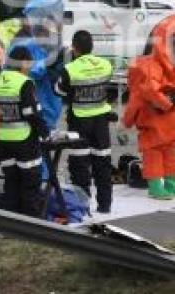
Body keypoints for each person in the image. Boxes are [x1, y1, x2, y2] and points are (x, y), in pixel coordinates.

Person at [123, 15, 175, 199]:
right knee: (153, 153)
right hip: (154, 121)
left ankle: (172, 183)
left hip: (172, 122)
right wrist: (169, 101)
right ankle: (155, 185)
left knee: (170, 153)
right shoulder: (151, 66)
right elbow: (149, 91)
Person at [55, 30, 115, 213]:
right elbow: (108, 85)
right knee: (103, 164)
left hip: (79, 122)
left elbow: (59, 91)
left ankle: (83, 206)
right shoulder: (106, 65)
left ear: (74, 48)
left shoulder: (70, 69)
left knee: (79, 166)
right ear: (92, 46)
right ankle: (105, 206)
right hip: (101, 123)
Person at [0, 45, 48, 216]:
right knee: (30, 182)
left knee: (11, 181)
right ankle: (31, 223)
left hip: (2, 139)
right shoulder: (24, 83)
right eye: (29, 63)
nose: (30, 68)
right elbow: (31, 113)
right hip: (24, 140)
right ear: (23, 63)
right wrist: (45, 132)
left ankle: (11, 220)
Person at [8, 0, 64, 132]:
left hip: (50, 104)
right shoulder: (23, 46)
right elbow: (31, 71)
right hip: (31, 104)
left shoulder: (53, 46)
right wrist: (44, 63)